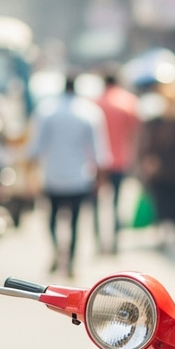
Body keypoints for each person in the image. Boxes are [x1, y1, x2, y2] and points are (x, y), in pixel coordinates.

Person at [27, 73, 109, 276]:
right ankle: (70, 261)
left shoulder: (47, 110)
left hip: (53, 177)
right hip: (79, 178)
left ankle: (57, 251)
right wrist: (101, 179)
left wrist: (31, 175)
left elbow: (35, 148)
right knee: (75, 222)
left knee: (52, 220)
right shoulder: (89, 112)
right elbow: (99, 151)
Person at [137, 80, 175, 247]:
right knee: (161, 203)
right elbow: (147, 146)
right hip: (161, 170)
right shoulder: (155, 122)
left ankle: (172, 233)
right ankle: (163, 233)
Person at [94, 67, 141, 253]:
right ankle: (114, 242)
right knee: (116, 203)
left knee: (96, 203)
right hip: (121, 159)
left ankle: (98, 242)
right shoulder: (129, 102)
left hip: (97, 162)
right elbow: (136, 134)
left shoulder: (95, 103)